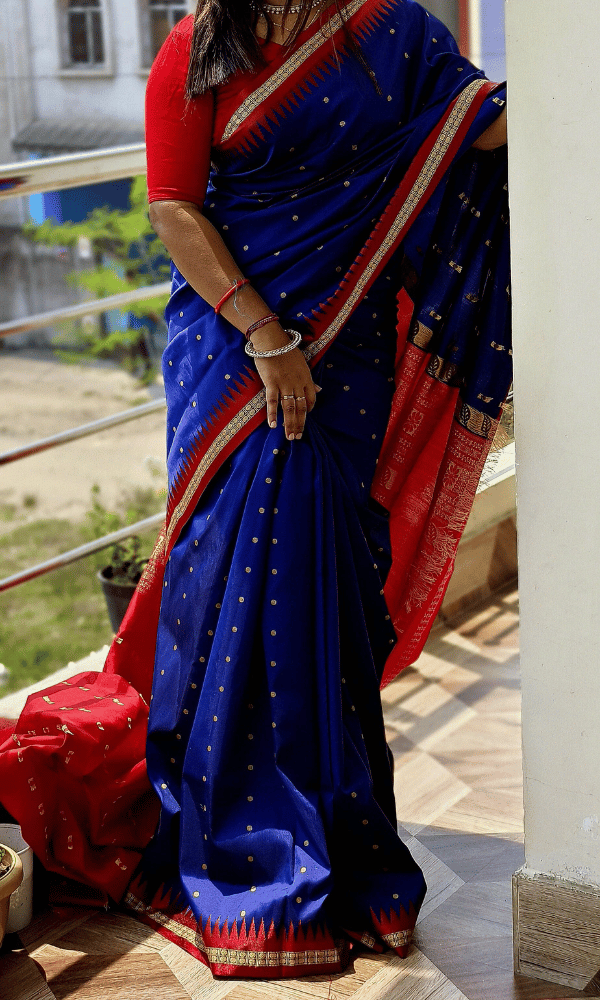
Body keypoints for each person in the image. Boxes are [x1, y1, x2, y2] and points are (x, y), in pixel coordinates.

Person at [0, 0, 511, 981]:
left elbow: (466, 130)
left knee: (326, 598)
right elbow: (173, 206)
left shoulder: (394, 31)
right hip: (236, 356)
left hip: (345, 355)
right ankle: (243, 850)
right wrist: (267, 338)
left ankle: (346, 852)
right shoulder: (196, 47)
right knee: (234, 592)